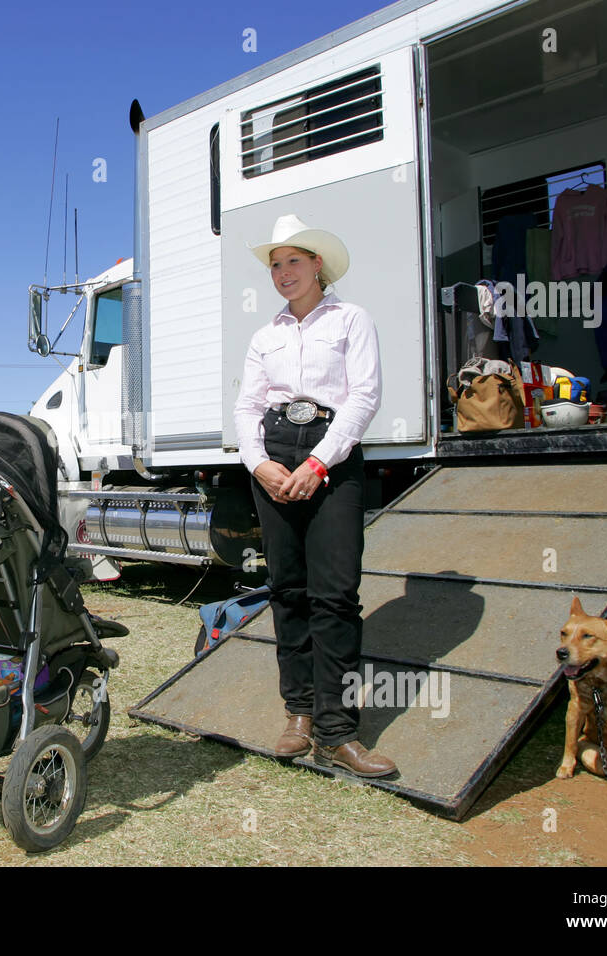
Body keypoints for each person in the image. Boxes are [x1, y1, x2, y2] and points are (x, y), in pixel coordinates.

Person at [232, 214, 396, 778]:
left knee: (335, 596)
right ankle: (298, 714)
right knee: (288, 591)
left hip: (334, 453)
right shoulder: (265, 336)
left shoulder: (352, 319)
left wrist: (320, 461)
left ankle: (338, 731)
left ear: (317, 265)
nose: (282, 273)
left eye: (292, 262)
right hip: (275, 455)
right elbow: (247, 408)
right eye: (275, 265)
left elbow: (364, 395)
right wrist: (260, 465)